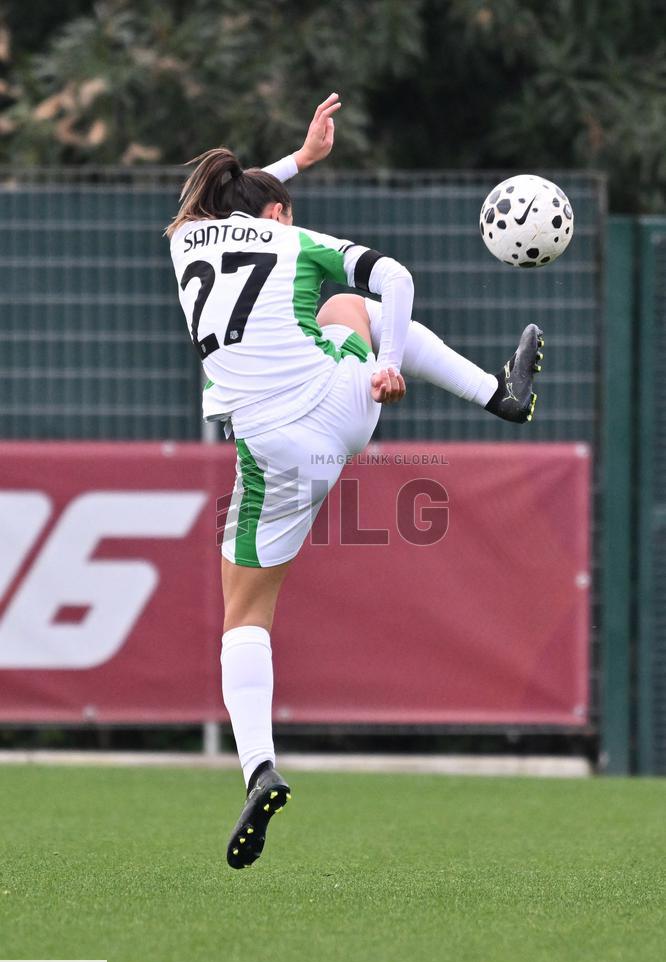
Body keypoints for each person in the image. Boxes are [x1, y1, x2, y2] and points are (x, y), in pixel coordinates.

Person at [168, 94, 543, 870]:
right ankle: (497, 394)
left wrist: (296, 161)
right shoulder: (296, 242)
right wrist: (387, 365)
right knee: (353, 301)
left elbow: (230, 198)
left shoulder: (180, 241)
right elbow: (398, 277)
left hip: (271, 449)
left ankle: (257, 767)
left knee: (245, 612)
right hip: (344, 410)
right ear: (275, 213)